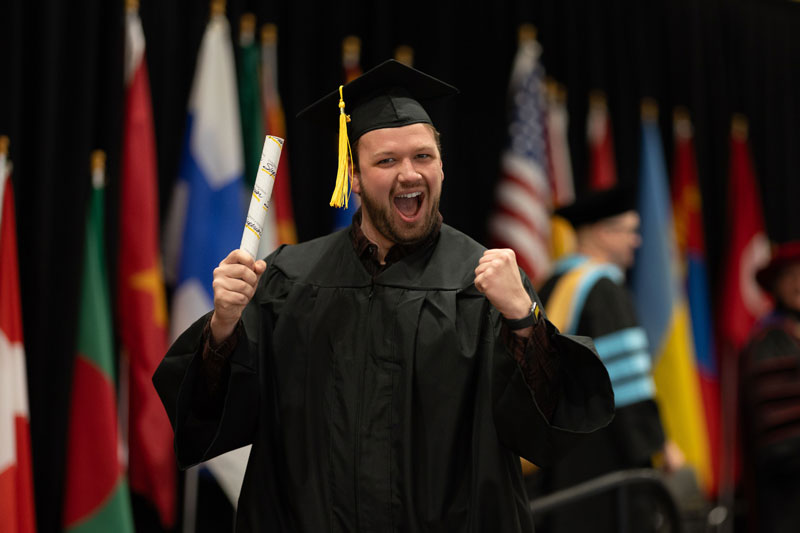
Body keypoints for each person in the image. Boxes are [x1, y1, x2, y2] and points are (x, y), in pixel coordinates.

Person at [154, 59, 614, 532]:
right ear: (353, 176)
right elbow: (210, 416)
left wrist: (524, 321)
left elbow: (546, 433)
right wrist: (223, 327)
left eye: (422, 157)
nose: (409, 174)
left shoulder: (484, 285)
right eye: (386, 161)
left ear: (442, 165)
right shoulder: (288, 281)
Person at [535, 185, 683, 533]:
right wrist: (657, 445)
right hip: (604, 459)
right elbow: (625, 385)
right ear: (602, 233)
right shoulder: (603, 289)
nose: (637, 241)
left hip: (557, 454)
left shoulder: (552, 282)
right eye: (630, 231)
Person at [739, 241, 800, 533]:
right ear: (776, 286)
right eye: (791, 275)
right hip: (790, 481)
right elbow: (780, 428)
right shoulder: (770, 339)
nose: (799, 282)